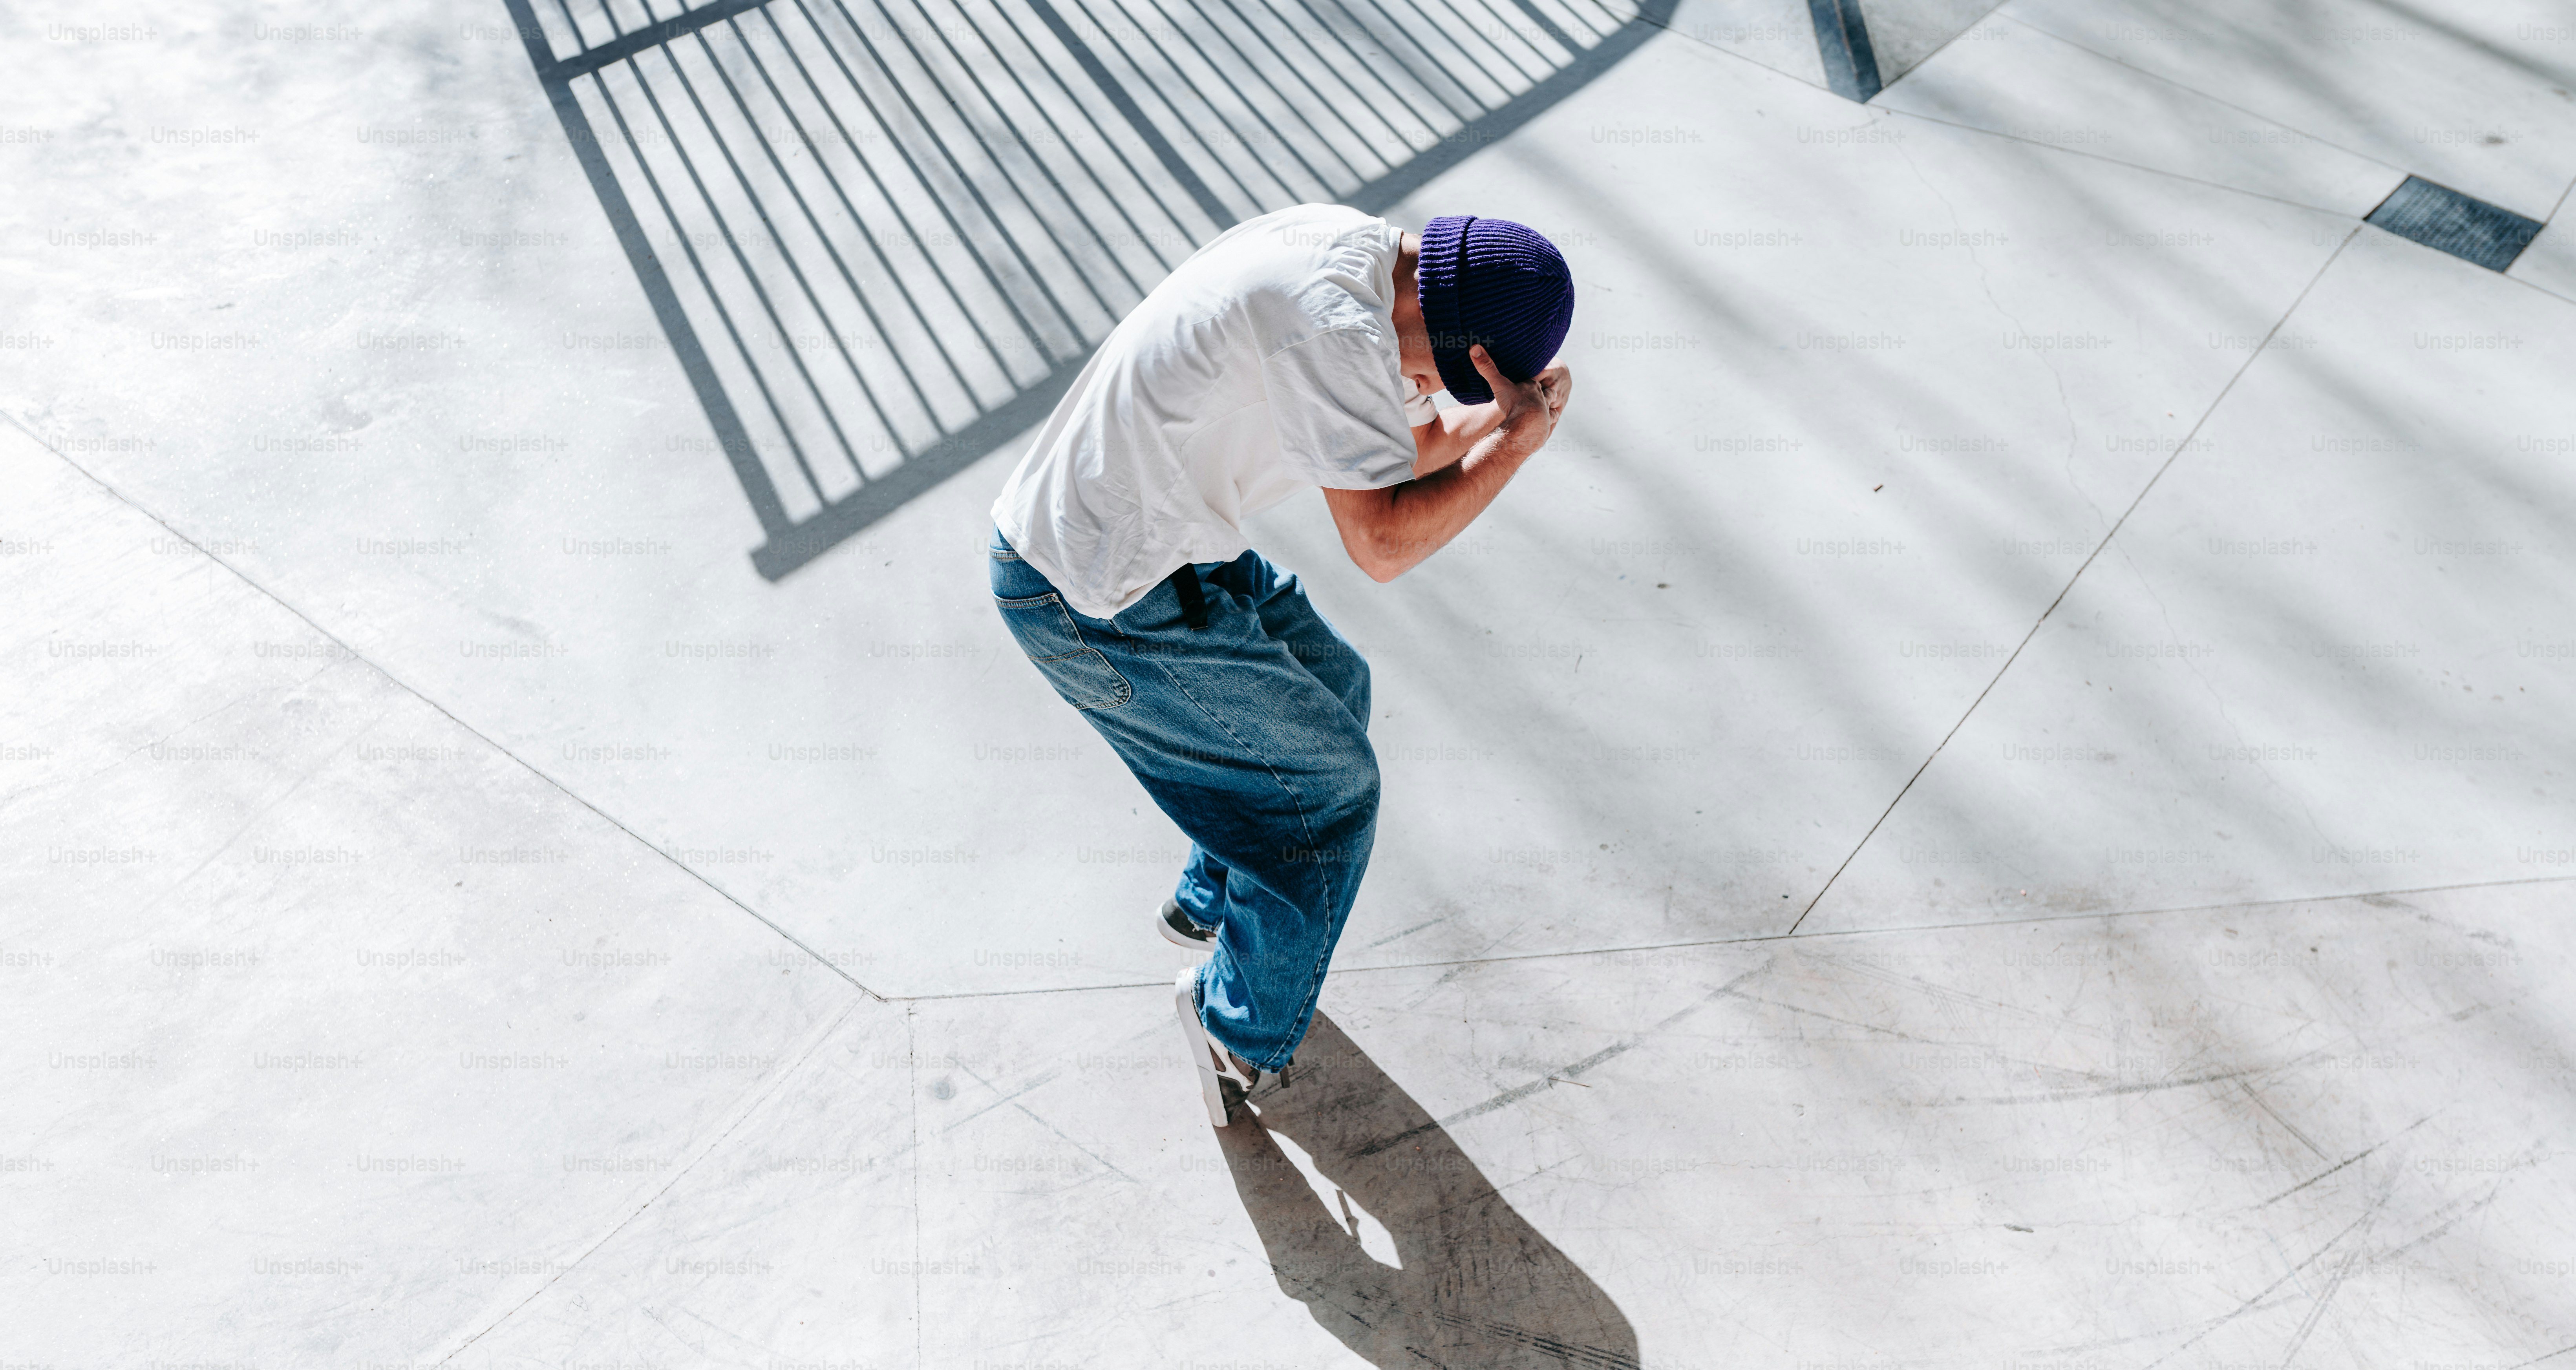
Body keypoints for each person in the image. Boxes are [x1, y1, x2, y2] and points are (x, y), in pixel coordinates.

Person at [986, 205, 1574, 1126]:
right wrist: (1513, 442)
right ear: (1448, 330)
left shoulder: (1362, 258)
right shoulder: (1334, 326)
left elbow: (1405, 446)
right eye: (1439, 373)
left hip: (1152, 547)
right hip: (1093, 593)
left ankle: (1209, 899)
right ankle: (1230, 1030)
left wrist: (1494, 416)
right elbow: (1380, 542)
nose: (1427, 388)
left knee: (1335, 687)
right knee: (1327, 794)